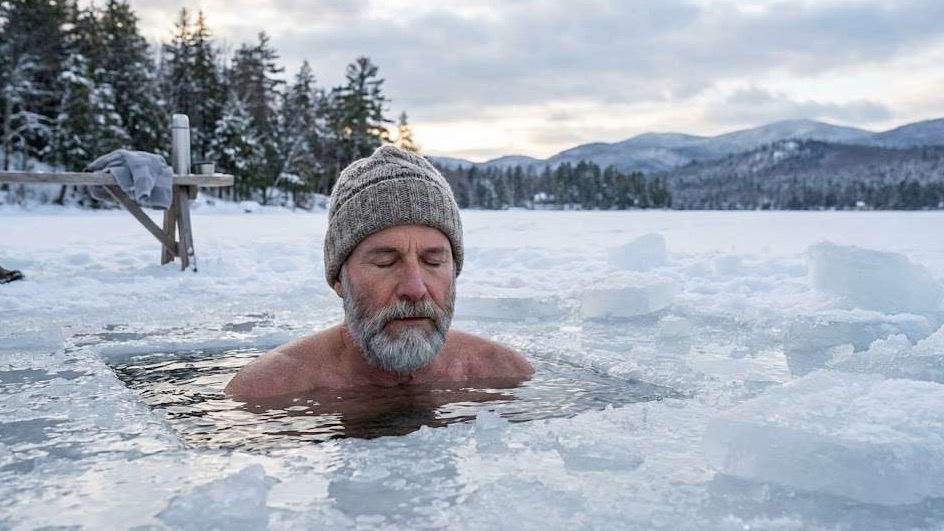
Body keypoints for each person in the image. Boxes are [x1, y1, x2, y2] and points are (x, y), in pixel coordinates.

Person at [226, 145, 533, 397]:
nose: (415, 288)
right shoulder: (268, 393)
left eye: (433, 261)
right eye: (385, 262)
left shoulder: (505, 376)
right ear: (339, 279)